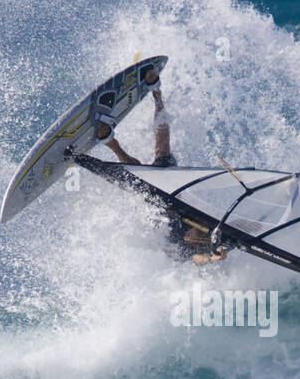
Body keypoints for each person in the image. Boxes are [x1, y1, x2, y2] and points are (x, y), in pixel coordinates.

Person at [95, 66, 227, 266]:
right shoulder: (207, 228)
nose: (195, 230)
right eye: (199, 230)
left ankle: (110, 142)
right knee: (163, 151)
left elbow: (198, 259)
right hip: (172, 191)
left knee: (138, 172)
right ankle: (156, 92)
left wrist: (211, 257)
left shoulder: (181, 250)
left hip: (154, 208)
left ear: (195, 243)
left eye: (196, 234)